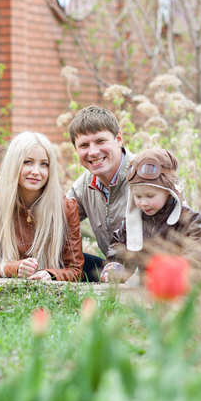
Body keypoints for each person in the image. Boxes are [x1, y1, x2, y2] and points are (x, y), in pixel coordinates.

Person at [0, 131, 84, 282]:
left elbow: (76, 270)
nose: (36, 172)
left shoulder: (66, 207)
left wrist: (51, 274)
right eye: (28, 162)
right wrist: (15, 268)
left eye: (44, 164)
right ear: (14, 164)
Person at [100, 147, 201, 282]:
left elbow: (197, 251)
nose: (144, 203)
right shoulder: (134, 222)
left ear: (169, 191)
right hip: (150, 288)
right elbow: (120, 247)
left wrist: (179, 271)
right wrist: (116, 265)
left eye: (150, 196)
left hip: (185, 286)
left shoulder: (190, 220)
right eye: (138, 196)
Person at [65, 106, 134, 282]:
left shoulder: (147, 175)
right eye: (84, 145)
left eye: (100, 141)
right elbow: (55, 222)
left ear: (118, 139)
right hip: (114, 272)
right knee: (59, 258)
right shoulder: (84, 184)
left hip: (155, 278)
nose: (93, 152)